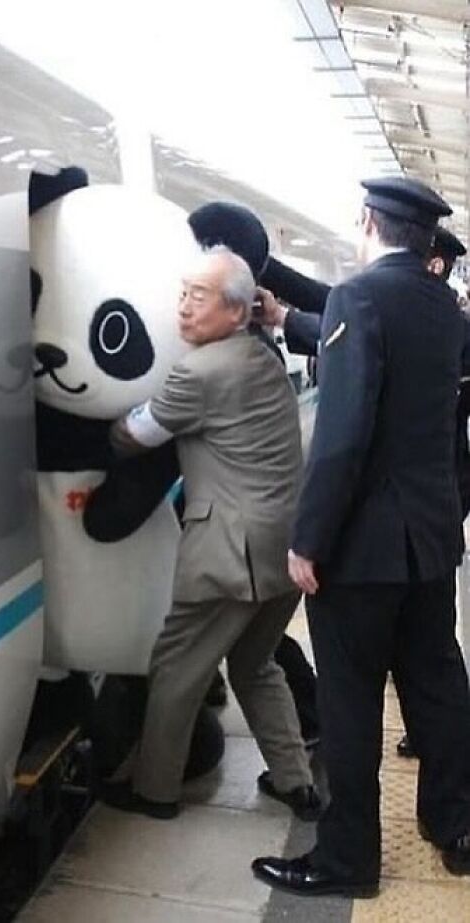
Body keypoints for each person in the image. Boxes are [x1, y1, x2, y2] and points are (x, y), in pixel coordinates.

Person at [252, 177, 470, 899]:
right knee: (437, 689)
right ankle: (456, 825)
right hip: (431, 546)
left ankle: (348, 860)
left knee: (350, 706)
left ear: (370, 222)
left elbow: (342, 439)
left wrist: (308, 540)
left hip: (364, 553)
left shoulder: (360, 297)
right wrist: (288, 315)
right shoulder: (446, 307)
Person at [101, 246, 319, 821]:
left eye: (198, 297)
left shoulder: (198, 371)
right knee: (256, 664)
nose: (183, 307)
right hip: (284, 548)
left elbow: (134, 437)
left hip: (228, 552)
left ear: (236, 311)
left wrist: (108, 422)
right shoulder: (261, 356)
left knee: (176, 667)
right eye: (182, 293)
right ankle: (296, 782)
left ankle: (155, 792)